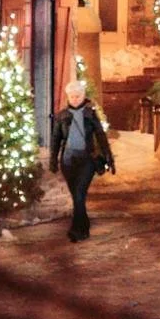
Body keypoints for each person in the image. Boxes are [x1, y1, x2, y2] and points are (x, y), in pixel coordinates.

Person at [50, 76, 115, 242]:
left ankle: (76, 230)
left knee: (79, 194)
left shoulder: (90, 114)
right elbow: (55, 139)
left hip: (87, 160)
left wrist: (109, 158)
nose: (75, 99)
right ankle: (84, 225)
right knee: (77, 197)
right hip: (68, 161)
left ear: (83, 95)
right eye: (72, 96)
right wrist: (53, 160)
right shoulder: (61, 116)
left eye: (77, 96)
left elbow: (101, 137)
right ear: (68, 97)